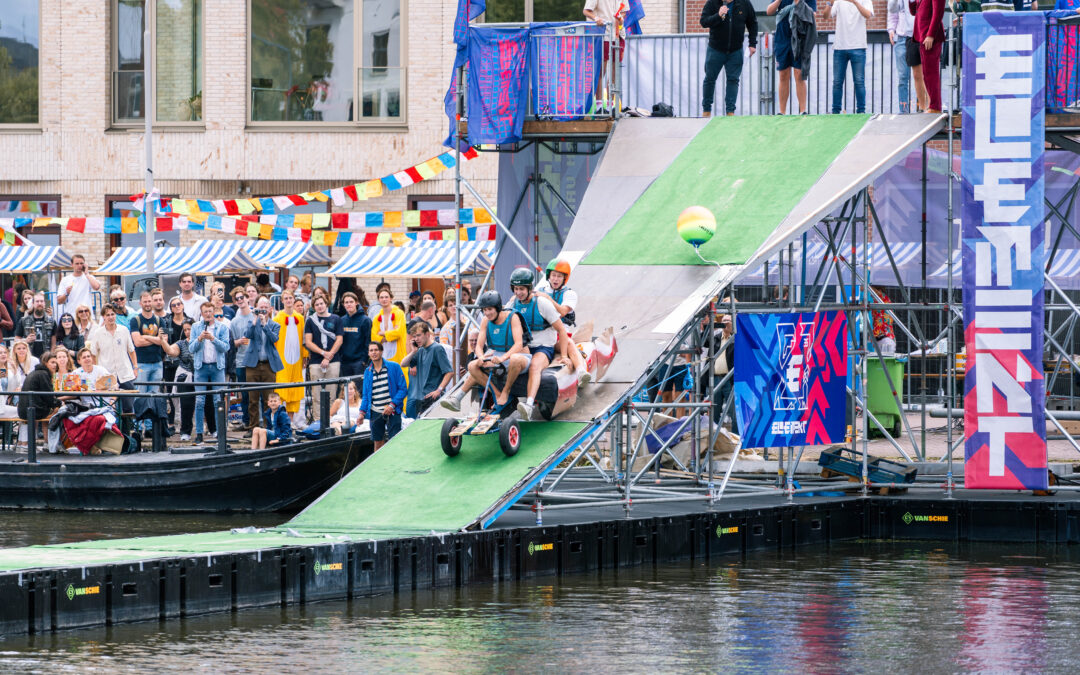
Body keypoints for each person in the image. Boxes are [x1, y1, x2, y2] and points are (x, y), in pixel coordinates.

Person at [441, 291, 530, 414]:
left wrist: (502, 358)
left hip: (519, 356)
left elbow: (519, 344)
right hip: (496, 355)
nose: (487, 313)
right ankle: (497, 394)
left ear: (497, 307)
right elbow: (479, 345)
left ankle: (505, 392)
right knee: (472, 365)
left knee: (514, 358)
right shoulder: (485, 320)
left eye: (490, 309)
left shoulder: (512, 317)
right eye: (484, 310)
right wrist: (481, 357)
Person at [508, 268, 571, 421]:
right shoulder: (512, 302)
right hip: (524, 345)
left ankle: (529, 405)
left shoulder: (542, 303)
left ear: (529, 288)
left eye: (522, 289)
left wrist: (563, 355)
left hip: (544, 346)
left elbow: (561, 330)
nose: (519, 292)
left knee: (535, 366)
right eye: (516, 289)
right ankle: (504, 399)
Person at [535, 259, 590, 384]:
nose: (555, 279)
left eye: (559, 276)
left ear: (564, 278)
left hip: (560, 336)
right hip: (541, 336)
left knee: (569, 342)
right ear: (549, 276)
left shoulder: (570, 294)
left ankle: (581, 372)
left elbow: (563, 312)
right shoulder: (539, 291)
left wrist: (548, 298)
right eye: (553, 275)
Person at [700, 0, 758, 118]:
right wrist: (718, 15)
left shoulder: (744, 3)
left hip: (735, 50)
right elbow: (704, 22)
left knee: (733, 80)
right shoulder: (712, 3)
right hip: (715, 49)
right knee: (710, 79)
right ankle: (706, 110)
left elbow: (753, 23)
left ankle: (730, 112)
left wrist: (752, 44)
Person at [130, 290, 177, 433]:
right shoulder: (135, 320)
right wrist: (155, 339)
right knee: (140, 396)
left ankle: (150, 428)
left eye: (149, 301)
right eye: (145, 302)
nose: (148, 304)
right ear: (140, 303)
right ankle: (138, 427)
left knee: (154, 395)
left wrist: (146, 337)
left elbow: (164, 341)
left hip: (157, 363)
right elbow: (137, 342)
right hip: (142, 363)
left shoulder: (159, 320)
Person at [189, 301, 231, 444]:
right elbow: (191, 349)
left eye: (210, 311)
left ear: (214, 312)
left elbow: (226, 347)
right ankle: (199, 433)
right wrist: (200, 338)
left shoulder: (222, 328)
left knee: (217, 401)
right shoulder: (195, 327)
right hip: (201, 367)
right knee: (199, 401)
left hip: (217, 367)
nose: (208, 314)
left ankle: (220, 432)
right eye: (205, 312)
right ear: (201, 314)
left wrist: (213, 339)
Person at [767, 0, 816, 114]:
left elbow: (812, 15)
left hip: (799, 37)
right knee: (783, 74)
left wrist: (799, 4)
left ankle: (803, 111)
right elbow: (769, 11)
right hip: (782, 38)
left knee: (799, 74)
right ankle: (782, 112)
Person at [87, 304, 138, 414]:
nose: (110, 317)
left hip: (125, 373)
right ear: (104, 317)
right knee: (109, 406)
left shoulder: (124, 330)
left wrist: (135, 367)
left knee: (128, 407)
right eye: (108, 315)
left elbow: (131, 350)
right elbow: (93, 354)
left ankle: (127, 430)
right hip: (107, 374)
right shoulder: (98, 333)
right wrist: (97, 372)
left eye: (112, 314)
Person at [827, 0, 873, 115]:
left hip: (858, 46)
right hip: (840, 47)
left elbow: (868, 15)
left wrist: (855, 2)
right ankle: (835, 112)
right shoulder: (838, 1)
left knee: (859, 82)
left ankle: (861, 112)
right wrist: (829, 3)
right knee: (837, 82)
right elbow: (826, 16)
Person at [244, 295, 283, 429]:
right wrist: (255, 320)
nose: (263, 311)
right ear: (256, 308)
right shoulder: (252, 322)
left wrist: (265, 324)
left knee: (269, 400)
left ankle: (268, 428)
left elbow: (274, 339)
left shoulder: (275, 325)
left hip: (268, 365)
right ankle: (253, 427)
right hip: (253, 365)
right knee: (252, 400)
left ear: (270, 309)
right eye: (261, 308)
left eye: (265, 308)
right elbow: (247, 335)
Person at [401, 322, 453, 419]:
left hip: (433, 398)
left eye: (419, 335)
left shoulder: (437, 348)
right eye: (415, 336)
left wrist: (439, 390)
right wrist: (413, 351)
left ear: (427, 334)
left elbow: (449, 372)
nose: (416, 339)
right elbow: (403, 364)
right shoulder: (420, 350)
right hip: (420, 399)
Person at [360, 341, 406, 450]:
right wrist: (362, 413)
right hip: (375, 411)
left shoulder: (394, 367)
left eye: (376, 350)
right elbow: (366, 395)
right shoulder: (368, 371)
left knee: (395, 442)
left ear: (381, 351)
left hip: (392, 410)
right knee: (377, 442)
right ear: (368, 353)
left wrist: (392, 405)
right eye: (371, 350)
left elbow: (403, 389)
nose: (374, 352)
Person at [304, 294, 344, 411]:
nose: (320, 306)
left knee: (331, 394)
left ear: (326, 304)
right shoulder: (310, 321)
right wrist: (323, 353)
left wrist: (329, 355)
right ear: (313, 307)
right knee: (316, 395)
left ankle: (330, 421)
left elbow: (339, 339)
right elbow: (308, 342)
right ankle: (318, 421)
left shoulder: (336, 319)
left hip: (333, 361)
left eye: (321, 303)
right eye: (316, 305)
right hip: (316, 361)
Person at [272, 291, 306, 415]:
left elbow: (303, 338)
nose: (288, 300)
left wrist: (305, 355)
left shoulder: (300, 318)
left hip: (297, 358)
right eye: (285, 298)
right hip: (282, 359)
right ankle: (280, 421)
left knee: (294, 389)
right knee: (281, 389)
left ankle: (291, 422)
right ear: (282, 301)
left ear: (294, 299)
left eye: (290, 298)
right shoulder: (277, 318)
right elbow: (274, 341)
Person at [229, 287, 256, 430]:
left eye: (242, 297)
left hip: (255, 360)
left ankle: (257, 422)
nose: (240, 300)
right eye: (237, 299)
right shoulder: (234, 321)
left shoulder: (254, 316)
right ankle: (246, 421)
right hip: (240, 361)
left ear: (247, 298)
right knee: (245, 394)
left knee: (256, 393)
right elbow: (231, 343)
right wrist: (238, 341)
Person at [911, 0, 944, 113]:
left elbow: (938, 12)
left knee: (931, 73)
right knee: (927, 73)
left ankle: (935, 107)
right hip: (922, 36)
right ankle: (933, 106)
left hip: (930, 37)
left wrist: (930, 35)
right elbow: (913, 11)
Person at [888, 0, 915, 113]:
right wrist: (891, 30)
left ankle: (924, 108)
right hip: (901, 38)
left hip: (916, 37)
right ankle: (903, 110)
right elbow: (893, 14)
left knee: (921, 76)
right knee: (903, 77)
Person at [18, 350, 58, 428]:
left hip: (25, 410)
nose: (55, 365)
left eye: (56, 363)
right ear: (45, 363)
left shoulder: (37, 372)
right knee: (60, 409)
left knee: (54, 408)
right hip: (33, 412)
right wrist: (60, 403)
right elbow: (49, 398)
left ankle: (48, 438)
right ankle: (53, 439)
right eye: (52, 362)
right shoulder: (43, 374)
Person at [371, 288, 408, 366]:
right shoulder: (376, 318)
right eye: (381, 297)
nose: (384, 299)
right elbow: (374, 338)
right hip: (383, 354)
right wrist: (390, 335)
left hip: (398, 355)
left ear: (391, 298)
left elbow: (398, 333)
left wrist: (382, 333)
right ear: (378, 300)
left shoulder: (399, 313)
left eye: (386, 297)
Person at [339, 292, 371, 379]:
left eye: (351, 302)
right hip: (345, 362)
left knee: (358, 390)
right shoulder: (341, 320)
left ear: (356, 302)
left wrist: (364, 360)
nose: (349, 304)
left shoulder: (365, 320)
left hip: (359, 362)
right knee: (346, 390)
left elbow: (368, 341)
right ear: (343, 305)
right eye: (346, 302)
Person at [173, 319, 196, 441]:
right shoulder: (181, 343)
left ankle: (211, 429)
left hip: (200, 373)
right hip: (185, 374)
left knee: (205, 402)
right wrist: (163, 341)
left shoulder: (201, 340)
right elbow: (171, 351)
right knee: (186, 404)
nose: (187, 332)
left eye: (190, 329)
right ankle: (185, 431)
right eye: (185, 329)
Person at [15, 292, 57, 359]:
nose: (39, 303)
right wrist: (26, 340)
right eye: (37, 301)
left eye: (41, 301)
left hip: (46, 358)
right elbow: (16, 340)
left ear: (44, 303)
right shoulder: (24, 321)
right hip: (29, 357)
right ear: (33, 304)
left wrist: (51, 357)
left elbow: (53, 344)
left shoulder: (52, 321)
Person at [872, 287, 896, 354]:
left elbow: (869, 289)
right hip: (879, 338)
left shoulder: (881, 297)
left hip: (885, 338)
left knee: (885, 362)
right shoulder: (876, 300)